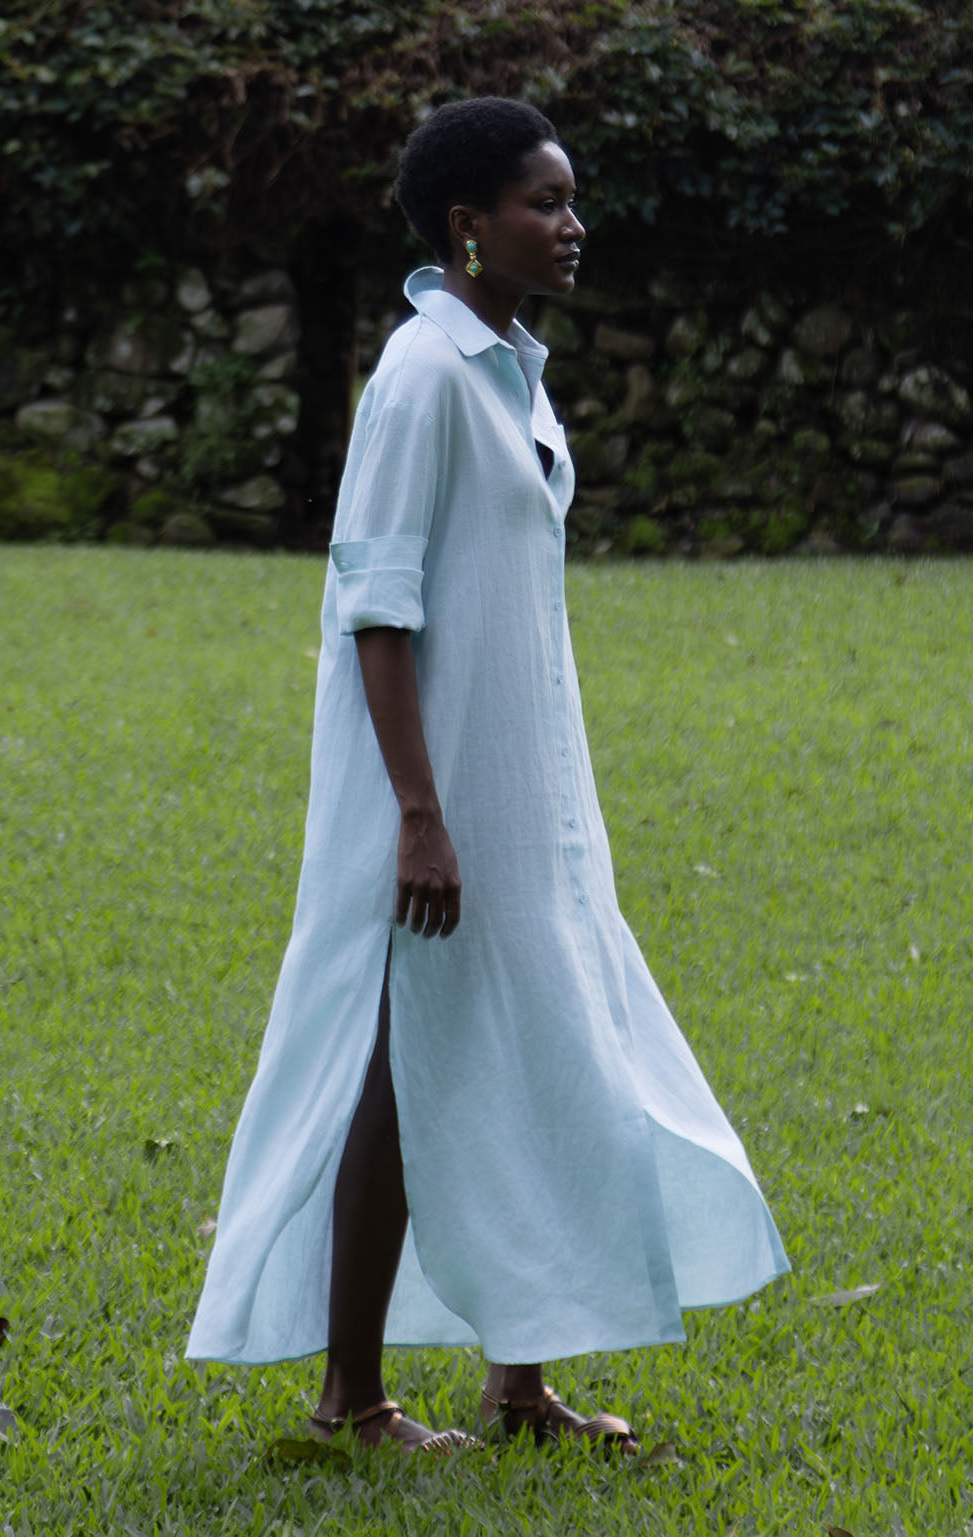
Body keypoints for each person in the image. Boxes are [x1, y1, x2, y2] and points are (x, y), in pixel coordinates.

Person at [186, 96, 789, 1454]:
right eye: (544, 201)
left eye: (571, 200)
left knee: (540, 1041)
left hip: (526, 788)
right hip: (436, 792)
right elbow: (376, 607)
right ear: (469, 223)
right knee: (405, 1064)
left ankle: (519, 1388)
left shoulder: (509, 364)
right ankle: (349, 1399)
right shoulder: (422, 376)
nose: (573, 224)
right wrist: (419, 813)